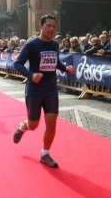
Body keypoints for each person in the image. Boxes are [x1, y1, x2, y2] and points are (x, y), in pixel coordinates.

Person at [12, 14, 75, 168]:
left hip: (51, 89)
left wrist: (65, 68)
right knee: (33, 125)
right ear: (40, 26)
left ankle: (45, 154)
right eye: (48, 26)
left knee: (51, 124)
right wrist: (31, 75)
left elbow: (55, 61)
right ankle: (22, 126)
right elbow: (18, 64)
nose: (51, 29)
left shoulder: (54, 45)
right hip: (34, 90)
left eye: (54, 26)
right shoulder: (31, 45)